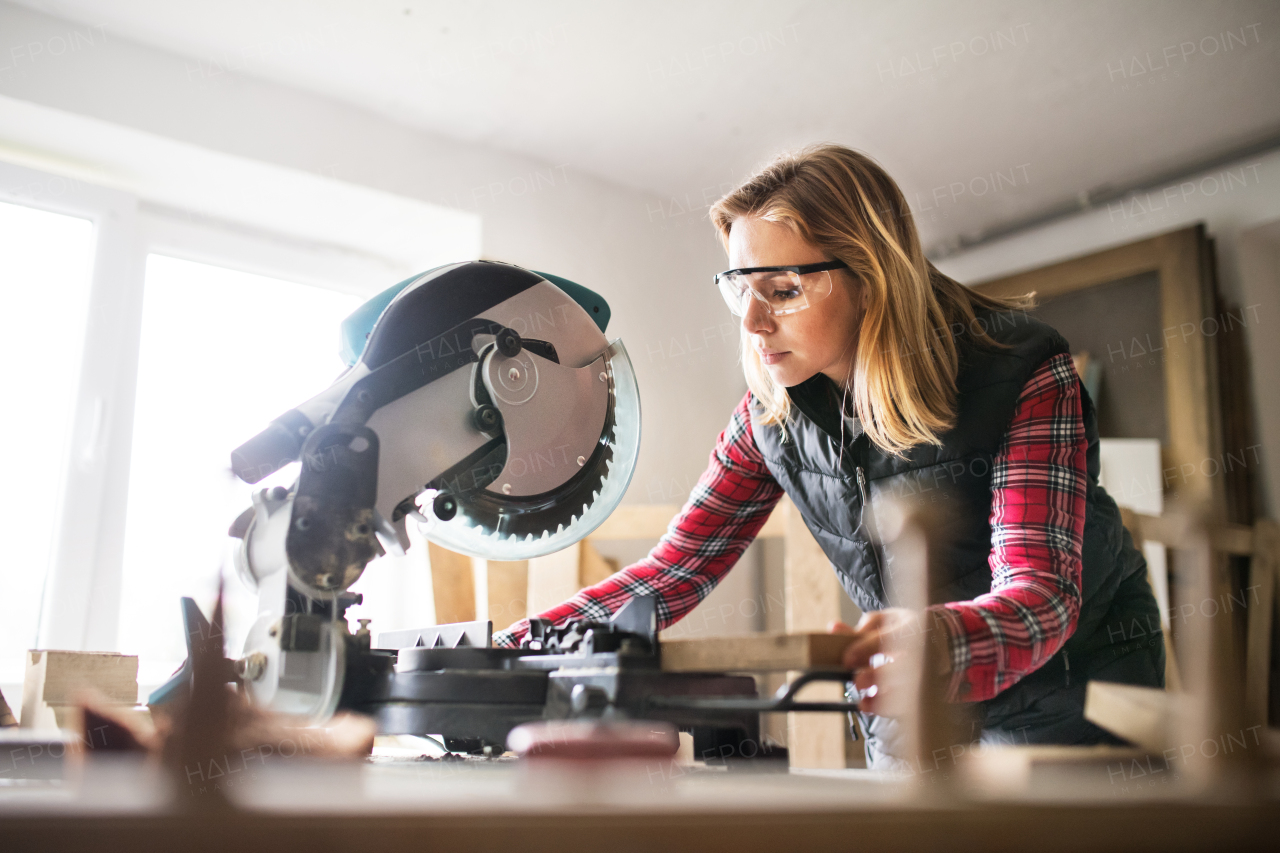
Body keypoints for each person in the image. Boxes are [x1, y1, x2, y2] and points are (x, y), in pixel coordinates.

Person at [493, 144, 1164, 770]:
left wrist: (923, 645)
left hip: (1073, 685)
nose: (752, 323)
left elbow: (1041, 598)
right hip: (906, 683)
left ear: (872, 277)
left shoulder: (1021, 369)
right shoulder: (771, 414)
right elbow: (676, 570)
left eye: (783, 290)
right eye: (739, 288)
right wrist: (513, 647)